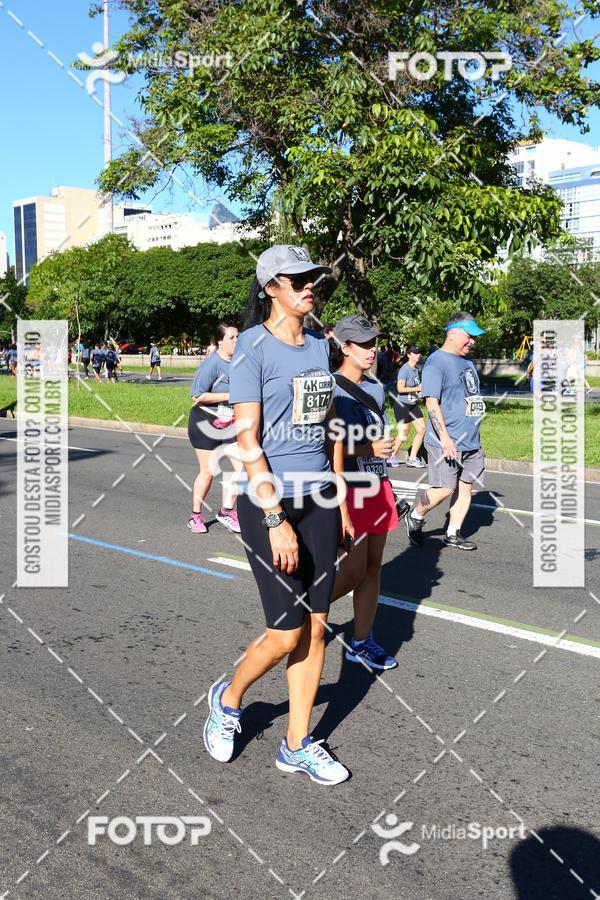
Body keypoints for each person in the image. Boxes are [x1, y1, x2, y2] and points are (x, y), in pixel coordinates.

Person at [203, 244, 350, 786]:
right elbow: (247, 440)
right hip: (270, 501)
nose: (310, 286)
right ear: (271, 288)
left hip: (320, 499)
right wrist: (274, 517)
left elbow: (326, 421)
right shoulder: (251, 349)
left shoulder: (318, 345)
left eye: (313, 278)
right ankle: (229, 698)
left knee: (316, 629)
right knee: (286, 633)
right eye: (297, 279)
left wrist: (339, 495)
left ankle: (297, 743)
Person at [328, 315, 400, 670]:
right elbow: (322, 446)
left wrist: (384, 451)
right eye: (364, 344)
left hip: (377, 483)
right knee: (353, 571)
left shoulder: (375, 388)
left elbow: (375, 435)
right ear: (345, 348)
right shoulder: (330, 388)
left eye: (374, 342)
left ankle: (361, 641)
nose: (373, 350)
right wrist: (366, 449)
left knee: (373, 567)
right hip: (348, 488)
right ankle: (305, 610)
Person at [405, 312, 486, 551]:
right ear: (452, 334)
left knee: (466, 486)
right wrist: (445, 439)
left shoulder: (467, 362)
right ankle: (416, 515)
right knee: (444, 488)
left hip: (471, 439)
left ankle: (453, 533)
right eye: (469, 336)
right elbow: (431, 403)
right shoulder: (436, 361)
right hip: (446, 440)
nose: (472, 341)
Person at [187, 322, 243, 534]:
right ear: (220, 341)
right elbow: (197, 395)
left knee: (244, 468)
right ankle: (195, 515)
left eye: (238, 336)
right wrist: (231, 395)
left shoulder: (240, 361)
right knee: (209, 472)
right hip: (205, 422)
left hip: (229, 424)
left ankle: (226, 511)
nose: (236, 340)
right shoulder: (212, 364)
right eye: (231, 337)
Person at [389, 345, 426, 468]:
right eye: (414, 353)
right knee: (404, 432)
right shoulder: (405, 369)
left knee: (422, 429)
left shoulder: (416, 369)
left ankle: (412, 458)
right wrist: (417, 389)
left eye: (418, 353)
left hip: (413, 404)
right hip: (402, 404)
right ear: (409, 355)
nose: (417, 355)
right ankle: (390, 456)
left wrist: (419, 393)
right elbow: (400, 389)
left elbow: (414, 387)